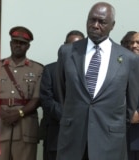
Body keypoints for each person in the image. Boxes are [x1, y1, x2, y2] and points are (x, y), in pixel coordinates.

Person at [56, 2, 139, 160]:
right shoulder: (67, 52)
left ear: (112, 25)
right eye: (91, 20)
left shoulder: (129, 59)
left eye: (101, 22)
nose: (95, 25)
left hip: (110, 143)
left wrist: (113, 127)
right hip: (72, 140)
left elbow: (130, 104)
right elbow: (62, 92)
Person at [0, 26, 43, 160]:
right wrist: (1, 112)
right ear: (11, 43)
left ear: (28, 46)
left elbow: (37, 98)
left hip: (25, 127)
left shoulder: (37, 69)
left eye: (22, 43)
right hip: (1, 123)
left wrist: (19, 113)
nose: (18, 45)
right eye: (15, 42)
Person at [39, 30, 84, 160]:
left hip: (82, 136)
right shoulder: (50, 69)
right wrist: (68, 117)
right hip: (56, 134)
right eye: (70, 45)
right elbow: (46, 100)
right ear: (64, 45)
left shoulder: (89, 70)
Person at [126, 31, 139, 160]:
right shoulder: (122, 66)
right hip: (125, 134)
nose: (134, 45)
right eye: (131, 42)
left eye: (138, 42)